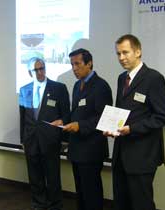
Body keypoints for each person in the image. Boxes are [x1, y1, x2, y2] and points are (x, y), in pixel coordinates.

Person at [104, 34, 165, 210]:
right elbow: (121, 112)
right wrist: (111, 127)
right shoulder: (122, 78)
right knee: (121, 202)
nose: (121, 58)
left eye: (125, 52)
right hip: (121, 154)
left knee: (141, 204)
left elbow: (164, 115)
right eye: (118, 53)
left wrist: (131, 129)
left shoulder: (153, 78)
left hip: (142, 155)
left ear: (138, 51)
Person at [63, 48, 113, 210]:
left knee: (92, 194)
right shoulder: (77, 85)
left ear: (89, 63)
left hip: (91, 150)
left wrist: (80, 126)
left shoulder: (101, 86)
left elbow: (104, 118)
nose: (74, 68)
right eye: (72, 65)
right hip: (77, 149)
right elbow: (76, 113)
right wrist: (63, 121)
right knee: (81, 193)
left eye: (77, 64)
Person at [19, 57, 70, 210]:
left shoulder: (58, 88)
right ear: (30, 72)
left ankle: (55, 204)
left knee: (52, 175)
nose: (40, 72)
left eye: (42, 68)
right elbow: (22, 117)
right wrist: (23, 139)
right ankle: (38, 203)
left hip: (51, 140)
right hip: (31, 140)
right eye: (36, 70)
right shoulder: (24, 90)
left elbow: (66, 115)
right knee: (34, 175)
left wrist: (65, 139)